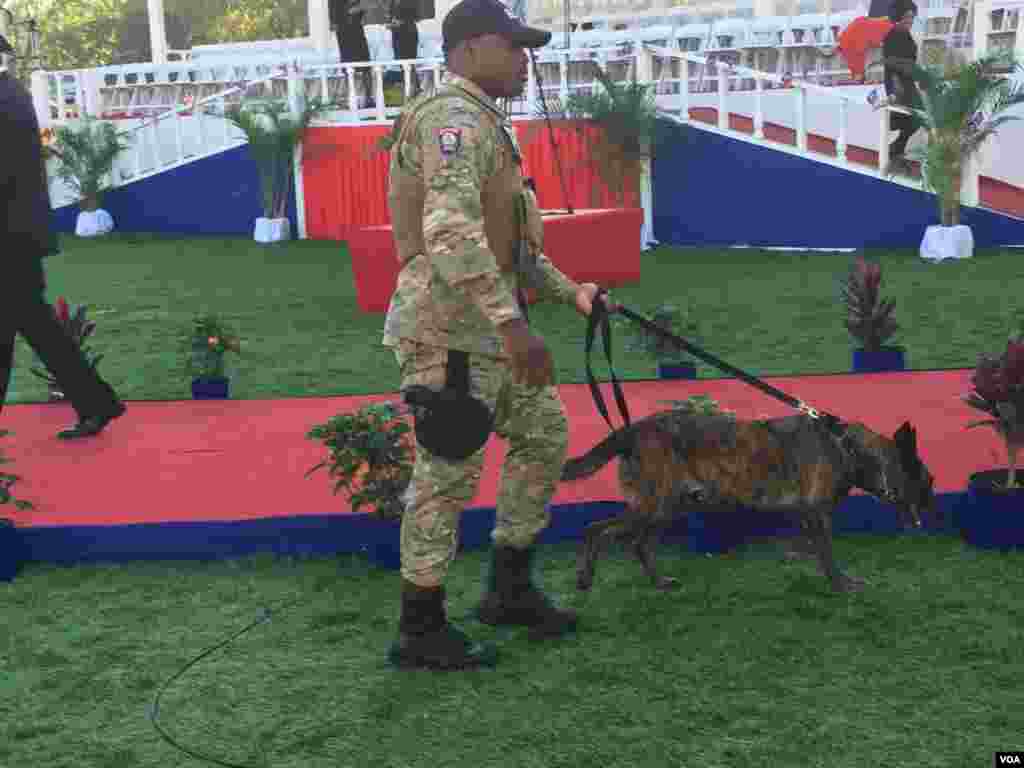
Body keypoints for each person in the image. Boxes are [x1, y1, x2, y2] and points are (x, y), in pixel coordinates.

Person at [381, 0, 611, 670]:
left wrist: (573, 293)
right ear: (471, 47)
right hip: (452, 332)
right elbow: (449, 233)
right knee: (447, 470)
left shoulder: (485, 123)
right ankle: (420, 628)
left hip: (489, 326)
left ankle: (508, 588)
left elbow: (511, 248)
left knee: (542, 435)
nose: (523, 58)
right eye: (513, 46)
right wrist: (513, 325)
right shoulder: (453, 121)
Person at [0, 34, 127, 439]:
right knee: (39, 328)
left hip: (9, 238)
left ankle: (97, 404)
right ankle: (97, 404)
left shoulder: (4, 100)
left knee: (24, 329)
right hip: (17, 236)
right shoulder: (12, 95)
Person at [882, 0, 922, 174]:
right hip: (901, 86)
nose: (910, 19)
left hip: (908, 84)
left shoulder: (905, 33)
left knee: (915, 120)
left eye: (912, 16)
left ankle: (896, 151)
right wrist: (890, 91)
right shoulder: (894, 34)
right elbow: (888, 67)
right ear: (899, 16)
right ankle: (894, 152)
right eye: (907, 16)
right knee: (913, 119)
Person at [329, 0, 374, 107]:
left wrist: (356, 10)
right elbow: (333, 18)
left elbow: (363, 7)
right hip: (343, 33)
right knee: (347, 67)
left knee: (365, 66)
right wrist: (341, 17)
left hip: (356, 30)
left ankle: (369, 98)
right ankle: (350, 98)